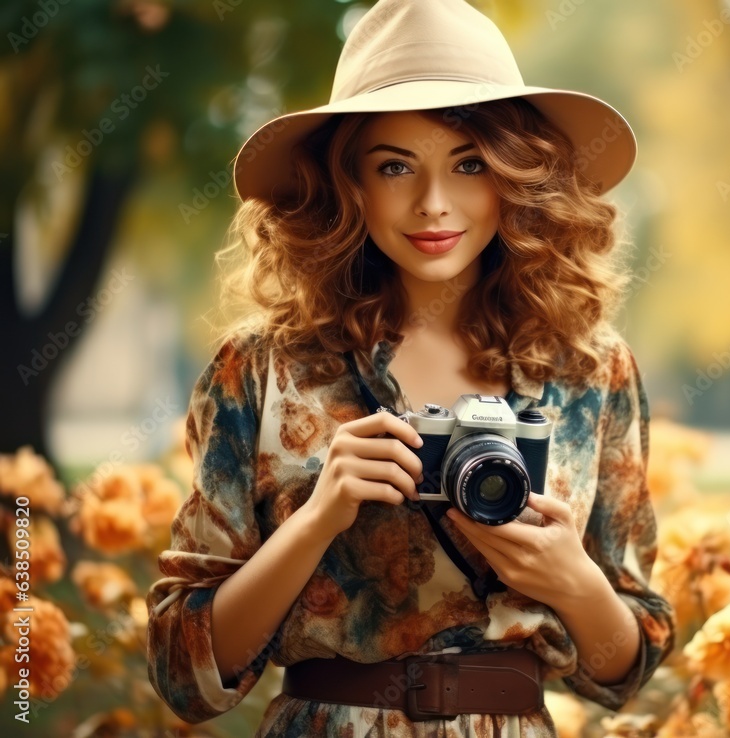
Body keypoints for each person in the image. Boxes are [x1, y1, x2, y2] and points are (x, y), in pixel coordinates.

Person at [145, 1, 675, 736]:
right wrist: (316, 520)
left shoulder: (590, 370)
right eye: (395, 166)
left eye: (469, 164)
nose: (433, 205)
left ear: (515, 175)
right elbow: (183, 674)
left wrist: (573, 581)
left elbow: (629, 670)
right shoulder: (260, 368)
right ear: (348, 183)